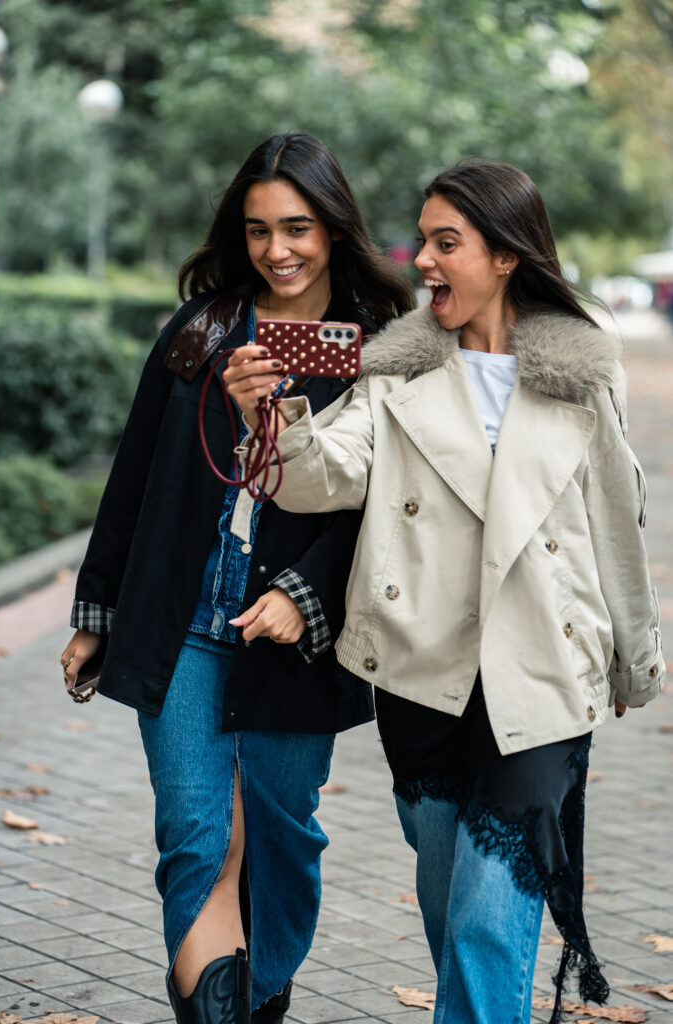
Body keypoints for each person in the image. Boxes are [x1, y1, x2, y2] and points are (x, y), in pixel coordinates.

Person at [224, 158, 665, 1024]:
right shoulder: (398, 370)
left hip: (542, 680)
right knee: (447, 912)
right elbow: (320, 479)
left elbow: (616, 519)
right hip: (423, 676)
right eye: (422, 240)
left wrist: (631, 656)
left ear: (505, 255)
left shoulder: (582, 368)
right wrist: (269, 419)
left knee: (484, 926)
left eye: (444, 243)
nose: (421, 260)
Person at [60, 131, 413, 1024]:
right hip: (179, 620)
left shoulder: (378, 348)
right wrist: (97, 613)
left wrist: (306, 598)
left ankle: (261, 999)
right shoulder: (204, 330)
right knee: (194, 839)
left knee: (282, 840)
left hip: (294, 642)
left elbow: (393, 507)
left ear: (333, 228)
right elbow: (134, 475)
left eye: (297, 227)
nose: (277, 250)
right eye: (257, 230)